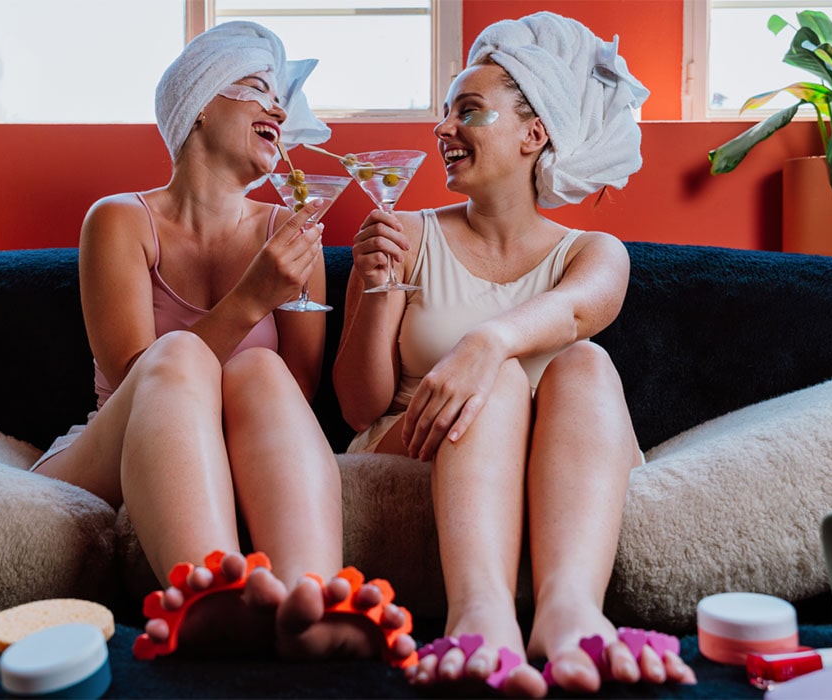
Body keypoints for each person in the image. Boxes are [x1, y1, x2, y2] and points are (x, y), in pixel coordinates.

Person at [333, 11, 696, 696]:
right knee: (496, 384)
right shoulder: (403, 233)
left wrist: (486, 340)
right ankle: (481, 612)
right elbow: (358, 404)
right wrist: (379, 288)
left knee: (584, 362)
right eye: (443, 114)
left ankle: (569, 609)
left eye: (468, 111)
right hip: (420, 440)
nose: (443, 130)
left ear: (535, 135)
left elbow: (583, 310)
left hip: (561, 450)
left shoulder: (591, 252)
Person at [32, 21, 416, 666]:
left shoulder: (291, 232)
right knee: (177, 355)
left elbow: (294, 394)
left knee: (261, 370)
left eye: (281, 98)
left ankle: (311, 601)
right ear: (201, 105)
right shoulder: (119, 219)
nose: (279, 107)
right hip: (113, 443)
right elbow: (137, 380)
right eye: (259, 88)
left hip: (241, 428)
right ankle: (205, 596)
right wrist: (251, 298)